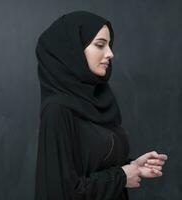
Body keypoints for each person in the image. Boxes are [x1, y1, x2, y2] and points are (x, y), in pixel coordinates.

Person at [34, 11, 168, 200]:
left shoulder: (101, 102)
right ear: (73, 50)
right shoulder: (58, 111)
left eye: (109, 45)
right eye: (100, 45)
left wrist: (134, 167)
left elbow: (94, 165)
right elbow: (61, 193)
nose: (110, 54)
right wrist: (121, 176)